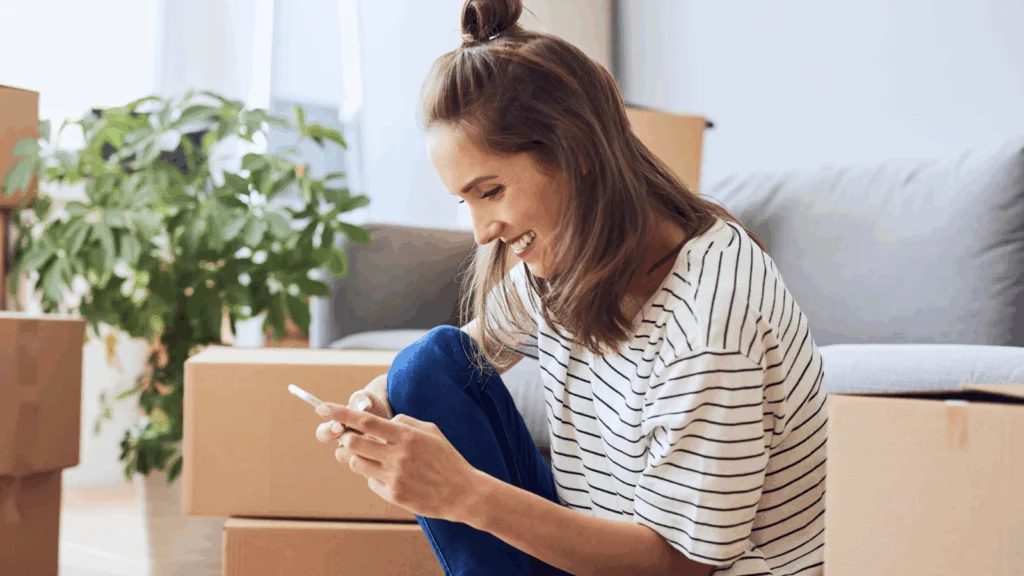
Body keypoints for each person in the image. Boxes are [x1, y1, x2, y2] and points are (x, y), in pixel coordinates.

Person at [313, 0, 827, 574]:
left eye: (491, 192)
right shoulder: (564, 264)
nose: (484, 233)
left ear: (575, 154)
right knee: (424, 366)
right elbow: (470, 352)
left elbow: (680, 567)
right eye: (467, 202)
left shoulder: (711, 316)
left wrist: (463, 493)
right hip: (597, 555)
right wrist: (378, 402)